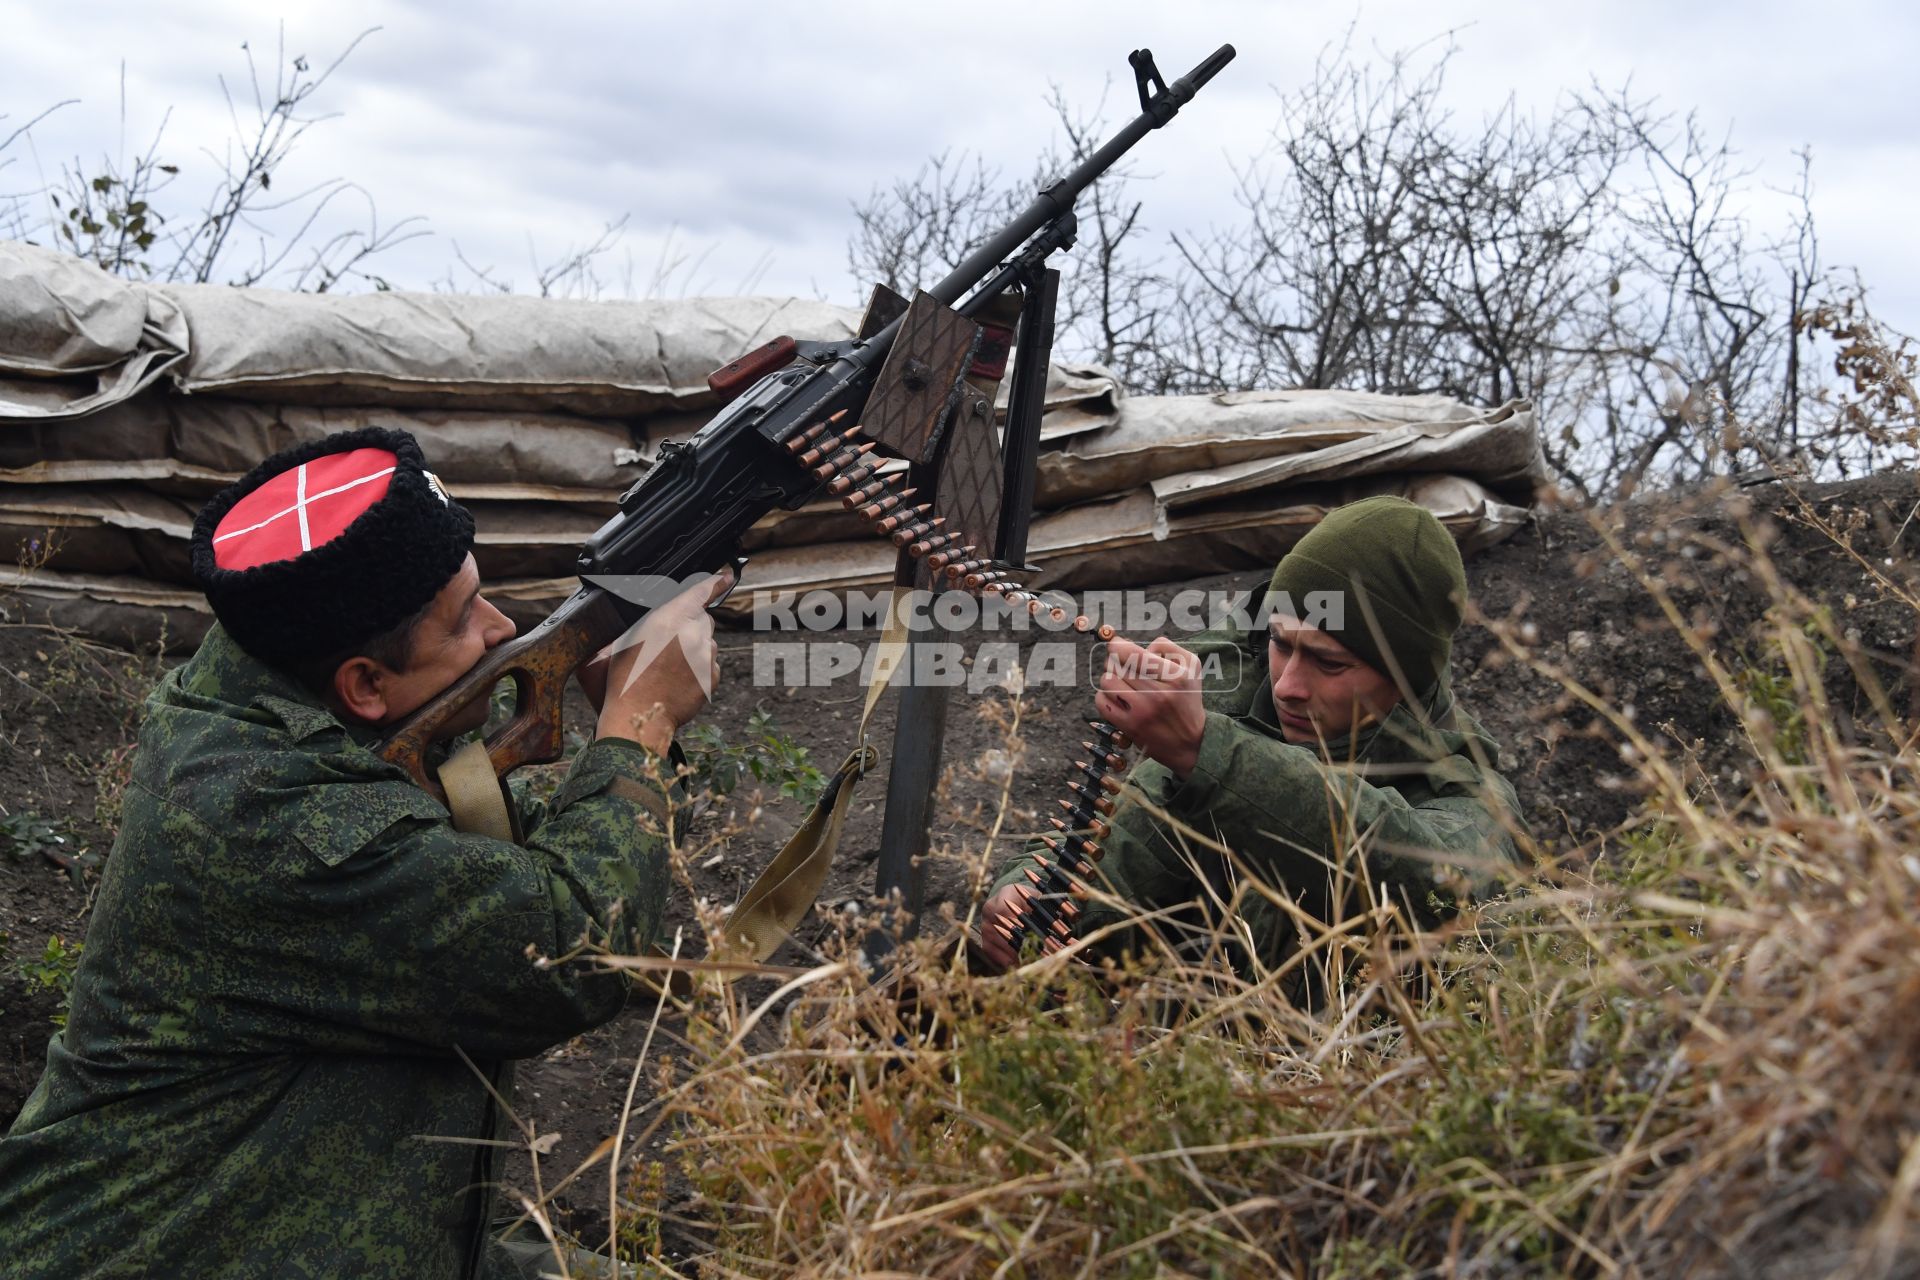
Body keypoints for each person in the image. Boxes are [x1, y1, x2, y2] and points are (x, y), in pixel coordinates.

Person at [0, 427, 724, 1278]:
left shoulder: (261, 687)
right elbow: (567, 952)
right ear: (365, 687)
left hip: (330, 1225)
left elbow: (462, 843)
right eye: (463, 621)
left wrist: (617, 737)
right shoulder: (272, 818)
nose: (502, 630)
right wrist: (636, 729)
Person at [980, 495, 1527, 982]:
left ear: (1406, 678)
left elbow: (1427, 885)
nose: (1287, 685)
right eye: (1283, 644)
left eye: (1329, 664)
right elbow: (1113, 840)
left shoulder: (1467, 790)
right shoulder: (1232, 686)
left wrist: (1210, 755)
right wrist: (1028, 892)